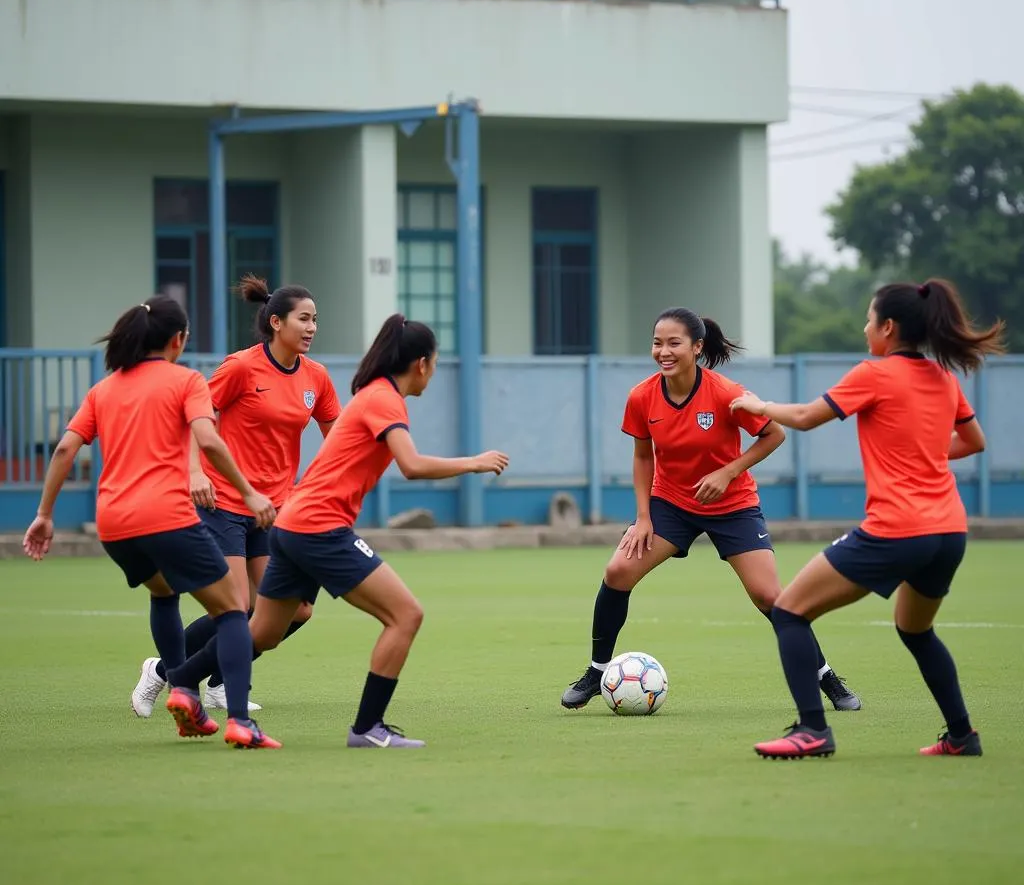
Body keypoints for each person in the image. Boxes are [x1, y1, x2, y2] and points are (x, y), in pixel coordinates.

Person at [167, 313, 510, 749]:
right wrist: (473, 462)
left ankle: (179, 680)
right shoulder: (385, 399)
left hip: (292, 524)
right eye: (436, 362)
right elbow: (411, 464)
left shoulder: (374, 395)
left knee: (263, 632)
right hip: (319, 527)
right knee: (406, 616)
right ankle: (368, 728)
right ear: (422, 363)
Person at [729, 279, 1004, 760]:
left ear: (888, 327)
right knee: (915, 629)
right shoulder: (944, 379)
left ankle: (812, 730)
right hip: (949, 531)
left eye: (868, 319)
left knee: (789, 610)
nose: (864, 328)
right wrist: (923, 455)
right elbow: (975, 441)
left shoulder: (875, 373)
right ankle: (962, 735)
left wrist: (759, 406)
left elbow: (808, 416)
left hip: (898, 529)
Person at [560, 308, 860, 712]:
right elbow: (643, 457)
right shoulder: (642, 396)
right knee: (617, 571)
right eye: (656, 343)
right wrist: (644, 517)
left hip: (733, 506)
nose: (663, 352)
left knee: (770, 597)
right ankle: (597, 672)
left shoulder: (724, 392)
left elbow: (775, 434)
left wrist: (729, 471)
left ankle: (826, 678)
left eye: (673, 343)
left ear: (697, 347)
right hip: (671, 504)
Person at [23, 296, 281, 749]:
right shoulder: (185, 381)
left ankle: (184, 696)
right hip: (166, 515)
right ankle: (237, 718)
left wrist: (44, 515)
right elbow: (209, 440)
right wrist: (248, 491)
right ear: (177, 340)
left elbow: (65, 448)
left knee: (164, 593)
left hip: (115, 525)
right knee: (235, 610)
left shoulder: (104, 389)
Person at [130, 276, 340, 718]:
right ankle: (165, 671)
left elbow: (337, 438)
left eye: (316, 319)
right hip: (223, 500)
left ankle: (221, 683)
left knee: (294, 612)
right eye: (304, 319)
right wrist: (191, 471)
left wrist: (322, 486)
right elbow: (195, 417)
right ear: (276, 322)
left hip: (275, 510)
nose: (312, 327)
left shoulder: (316, 378)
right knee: (239, 606)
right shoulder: (240, 367)